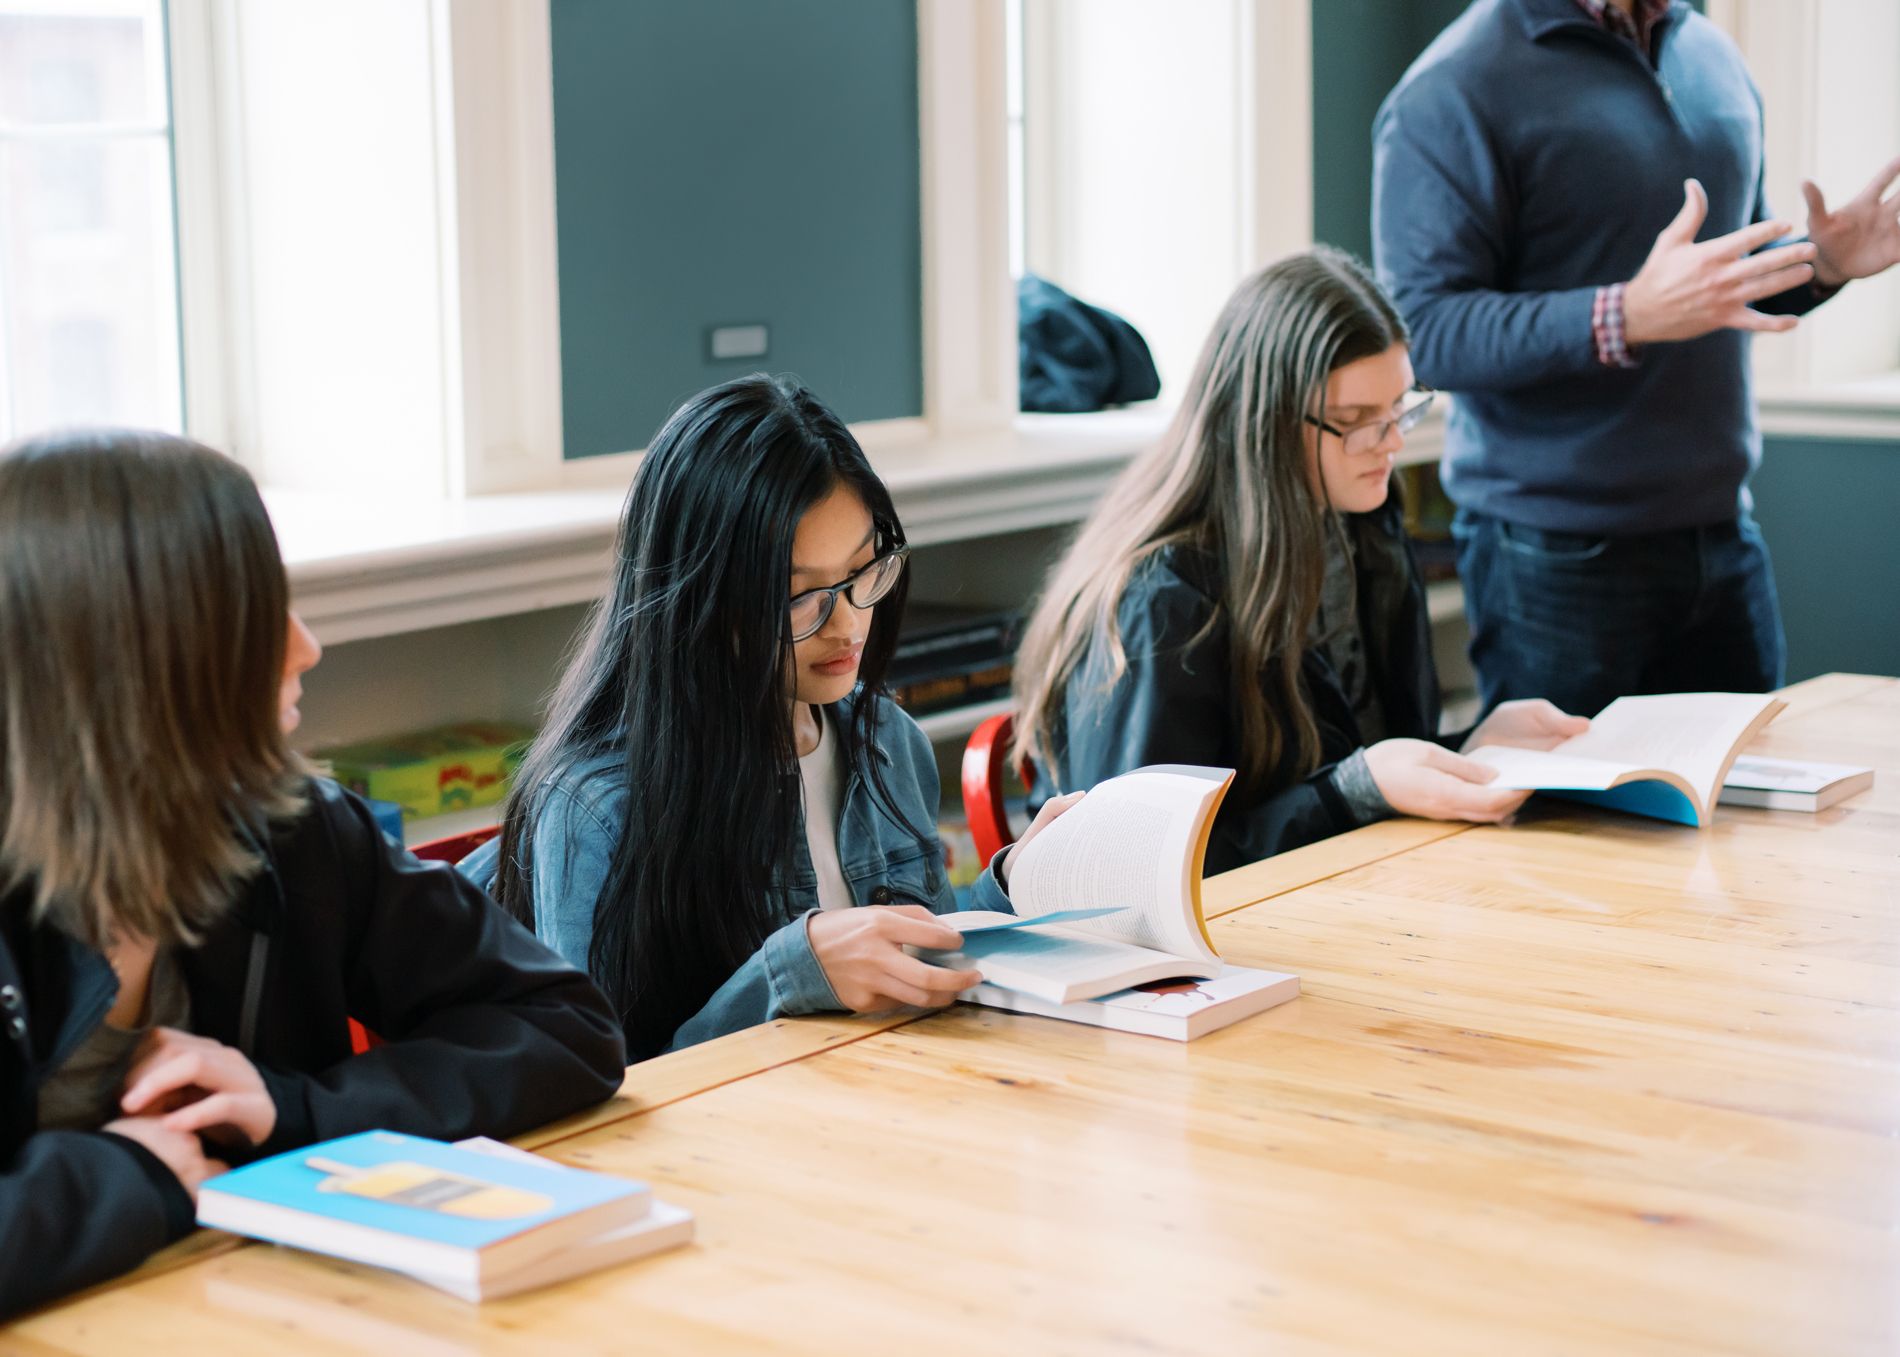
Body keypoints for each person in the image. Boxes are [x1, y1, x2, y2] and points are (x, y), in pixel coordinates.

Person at [0, 431, 627, 1318]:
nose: (306, 645)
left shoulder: (291, 829)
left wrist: (292, 1108)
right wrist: (130, 1173)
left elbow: (567, 1027)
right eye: (259, 614)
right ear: (143, 660)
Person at [463, 376, 1076, 1061]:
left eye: (864, 568)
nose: (847, 623)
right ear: (694, 602)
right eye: (798, 597)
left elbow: (919, 960)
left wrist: (1012, 885)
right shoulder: (597, 807)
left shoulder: (884, 741)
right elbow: (612, 1083)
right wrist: (792, 972)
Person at [1373, 0, 1900, 715]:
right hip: (1553, 558)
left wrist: (1822, 264)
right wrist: (1623, 315)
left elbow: (1721, 281)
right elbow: (1426, 331)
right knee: (1571, 827)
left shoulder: (1713, 54)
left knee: (1741, 816)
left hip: (1723, 535)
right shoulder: (1452, 88)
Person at [1010, 249, 1587, 875]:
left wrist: (1472, 748)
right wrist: (1353, 791)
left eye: (1400, 408)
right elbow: (1136, 870)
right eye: (1355, 422)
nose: (1393, 442)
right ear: (1267, 423)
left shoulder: (1365, 525)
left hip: (1353, 891)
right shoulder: (1164, 598)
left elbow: (1364, 764)